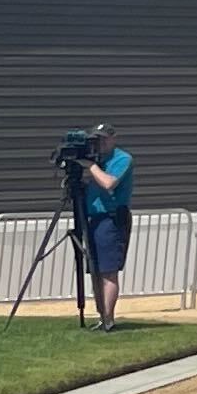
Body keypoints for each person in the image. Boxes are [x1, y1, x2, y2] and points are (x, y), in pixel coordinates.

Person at [72, 123, 135, 327]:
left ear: (113, 139)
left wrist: (90, 167)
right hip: (92, 219)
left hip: (111, 218)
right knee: (95, 269)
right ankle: (101, 315)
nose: (99, 143)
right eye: (96, 139)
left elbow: (109, 183)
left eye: (104, 139)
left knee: (108, 270)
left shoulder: (122, 159)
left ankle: (108, 318)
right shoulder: (96, 160)